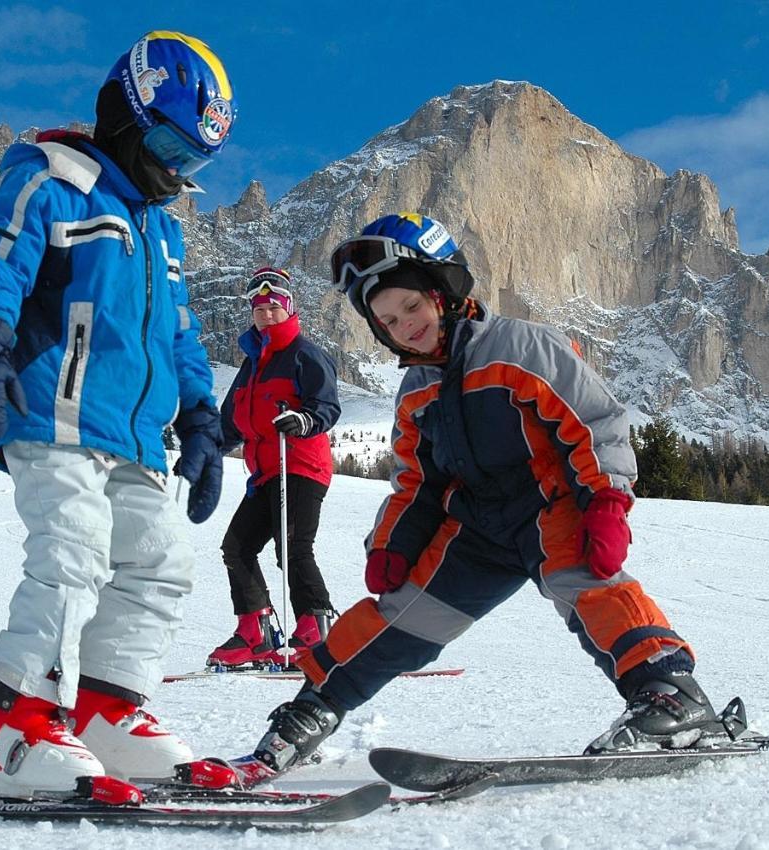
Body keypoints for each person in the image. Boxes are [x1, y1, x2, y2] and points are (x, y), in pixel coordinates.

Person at [236, 213, 741, 780]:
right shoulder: (416, 391)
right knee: (403, 614)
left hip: (553, 504)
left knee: (586, 586)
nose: (403, 325)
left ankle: (672, 696)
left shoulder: (521, 347)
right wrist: (392, 544)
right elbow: (416, 482)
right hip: (475, 527)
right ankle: (313, 707)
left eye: (410, 307)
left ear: (442, 293)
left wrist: (606, 501)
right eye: (386, 321)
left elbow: (594, 422)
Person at [0, 31, 236, 794]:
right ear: (128, 114)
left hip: (133, 436)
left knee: (159, 563)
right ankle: (9, 726)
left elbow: (178, 331)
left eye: (194, 160)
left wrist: (202, 417)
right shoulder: (55, 180)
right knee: (73, 556)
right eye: (171, 144)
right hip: (53, 417)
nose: (177, 169)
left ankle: (107, 710)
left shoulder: (158, 225)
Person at [208, 267, 342, 669]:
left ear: (288, 308)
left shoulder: (305, 354)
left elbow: (326, 406)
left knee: (294, 548)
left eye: (273, 306)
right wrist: (205, 451)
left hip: (300, 464)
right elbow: (231, 422)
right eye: (258, 307)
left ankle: (316, 629)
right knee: (238, 546)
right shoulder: (251, 365)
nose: (266, 313)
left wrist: (302, 420)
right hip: (265, 473)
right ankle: (256, 631)